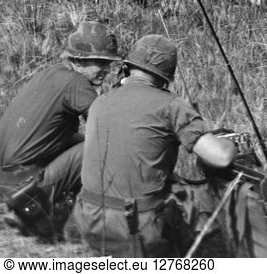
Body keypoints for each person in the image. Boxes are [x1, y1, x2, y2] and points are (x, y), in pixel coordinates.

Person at [74, 34, 237, 257]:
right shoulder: (170, 105)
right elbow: (220, 157)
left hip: (89, 218)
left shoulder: (100, 101)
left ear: (128, 67)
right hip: (134, 227)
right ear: (166, 76)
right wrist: (231, 142)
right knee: (204, 198)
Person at [0, 22, 121, 241]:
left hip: (2, 177)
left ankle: (56, 203)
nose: (106, 69)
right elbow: (110, 129)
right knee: (102, 148)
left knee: (80, 139)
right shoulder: (77, 83)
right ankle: (71, 214)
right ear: (79, 59)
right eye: (100, 62)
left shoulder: (51, 72)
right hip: (22, 180)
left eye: (108, 63)